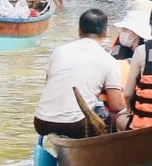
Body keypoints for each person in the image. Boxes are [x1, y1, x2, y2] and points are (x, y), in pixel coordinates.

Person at [34, 8, 126, 138]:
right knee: (114, 117)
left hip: (41, 121)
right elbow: (116, 105)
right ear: (105, 33)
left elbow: (49, 83)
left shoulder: (59, 51)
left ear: (79, 31)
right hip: (76, 125)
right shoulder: (109, 61)